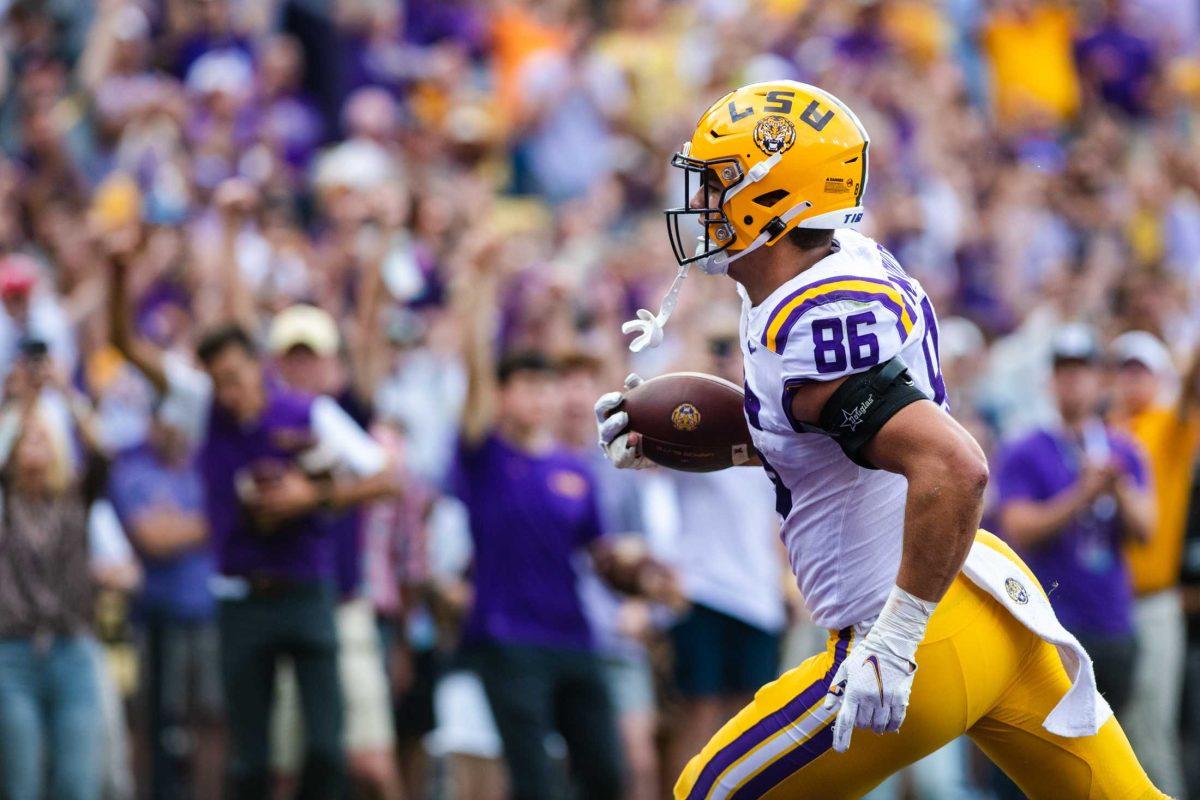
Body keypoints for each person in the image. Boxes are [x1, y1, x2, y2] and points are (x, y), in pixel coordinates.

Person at [595, 81, 1167, 798]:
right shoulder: (831, 264)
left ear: (774, 202)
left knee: (705, 792)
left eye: (719, 185)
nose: (702, 203)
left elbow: (955, 468)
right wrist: (693, 437)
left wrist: (893, 643)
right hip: (988, 599)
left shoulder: (813, 321)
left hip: (912, 624)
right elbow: (830, 432)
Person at [107, 231, 396, 800]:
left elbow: (386, 476)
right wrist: (119, 273)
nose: (230, 394)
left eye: (237, 378)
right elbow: (126, 345)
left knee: (324, 748)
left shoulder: (309, 411)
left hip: (307, 587)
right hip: (240, 596)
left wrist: (311, 497)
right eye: (218, 382)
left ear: (258, 367)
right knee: (251, 759)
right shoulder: (204, 410)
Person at [452, 240, 679, 800]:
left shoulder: (574, 470)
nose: (539, 397)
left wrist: (643, 577)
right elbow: (474, 367)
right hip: (506, 638)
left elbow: (600, 554)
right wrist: (478, 287)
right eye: (525, 386)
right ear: (503, 397)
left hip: (573, 637)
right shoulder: (486, 455)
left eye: (545, 386)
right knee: (534, 782)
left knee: (607, 773)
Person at [995, 325, 1153, 714]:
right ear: (1050, 381)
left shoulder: (1122, 449)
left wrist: (1117, 489)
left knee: (1116, 744)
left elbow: (1148, 529)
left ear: (1100, 380)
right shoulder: (1025, 449)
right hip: (1052, 626)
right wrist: (1081, 494)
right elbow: (1018, 528)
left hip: (1113, 621)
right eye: (1064, 371)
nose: (1073, 381)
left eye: (1082, 370)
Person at [0, 351, 109, 800]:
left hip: (72, 648)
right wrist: (21, 403)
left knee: (77, 784)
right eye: (28, 439)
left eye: (45, 438)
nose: (36, 446)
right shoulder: (5, 508)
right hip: (13, 654)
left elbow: (102, 453)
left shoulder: (75, 501)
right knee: (21, 784)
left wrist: (66, 394)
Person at [107, 409, 224, 800]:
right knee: (152, 719)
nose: (176, 427)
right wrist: (211, 522)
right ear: (153, 423)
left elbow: (230, 515)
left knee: (210, 718)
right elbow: (152, 539)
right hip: (155, 616)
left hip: (209, 612)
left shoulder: (205, 465)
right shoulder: (132, 472)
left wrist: (183, 526)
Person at [1110, 332, 1198, 796]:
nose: (1132, 379)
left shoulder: (1171, 424)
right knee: (1112, 739)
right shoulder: (1103, 428)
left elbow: (1193, 387)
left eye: (1141, 369)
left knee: (1151, 737)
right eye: (1125, 368)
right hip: (1105, 609)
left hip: (1153, 602)